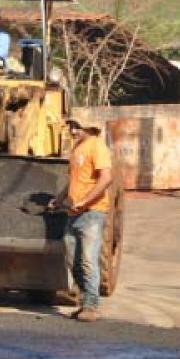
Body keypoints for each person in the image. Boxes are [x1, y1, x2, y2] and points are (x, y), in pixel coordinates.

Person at [48, 116, 113, 322]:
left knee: (87, 260)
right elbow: (74, 181)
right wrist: (58, 200)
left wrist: (85, 201)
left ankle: (92, 306)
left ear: (89, 127)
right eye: (71, 127)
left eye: (77, 127)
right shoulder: (77, 149)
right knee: (72, 260)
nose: (73, 131)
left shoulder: (97, 147)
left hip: (92, 212)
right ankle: (85, 301)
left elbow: (106, 178)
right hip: (74, 213)